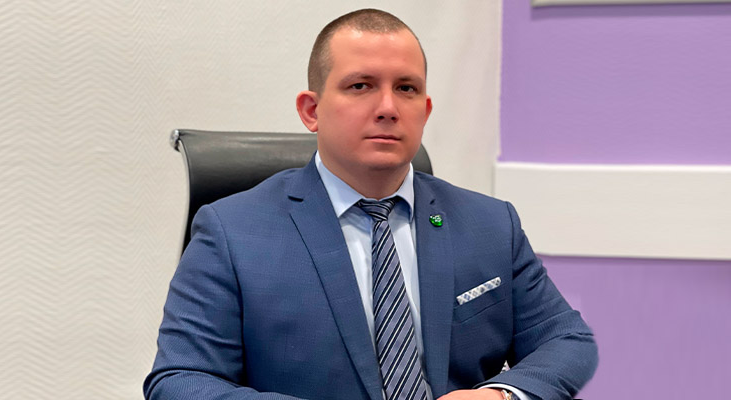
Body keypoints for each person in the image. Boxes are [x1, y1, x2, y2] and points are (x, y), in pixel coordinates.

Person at [144, 9, 597, 400]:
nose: (387, 107)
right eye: (360, 85)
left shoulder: (491, 224)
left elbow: (566, 340)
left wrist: (501, 394)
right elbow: (180, 379)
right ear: (311, 110)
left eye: (406, 88)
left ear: (425, 110)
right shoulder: (231, 231)